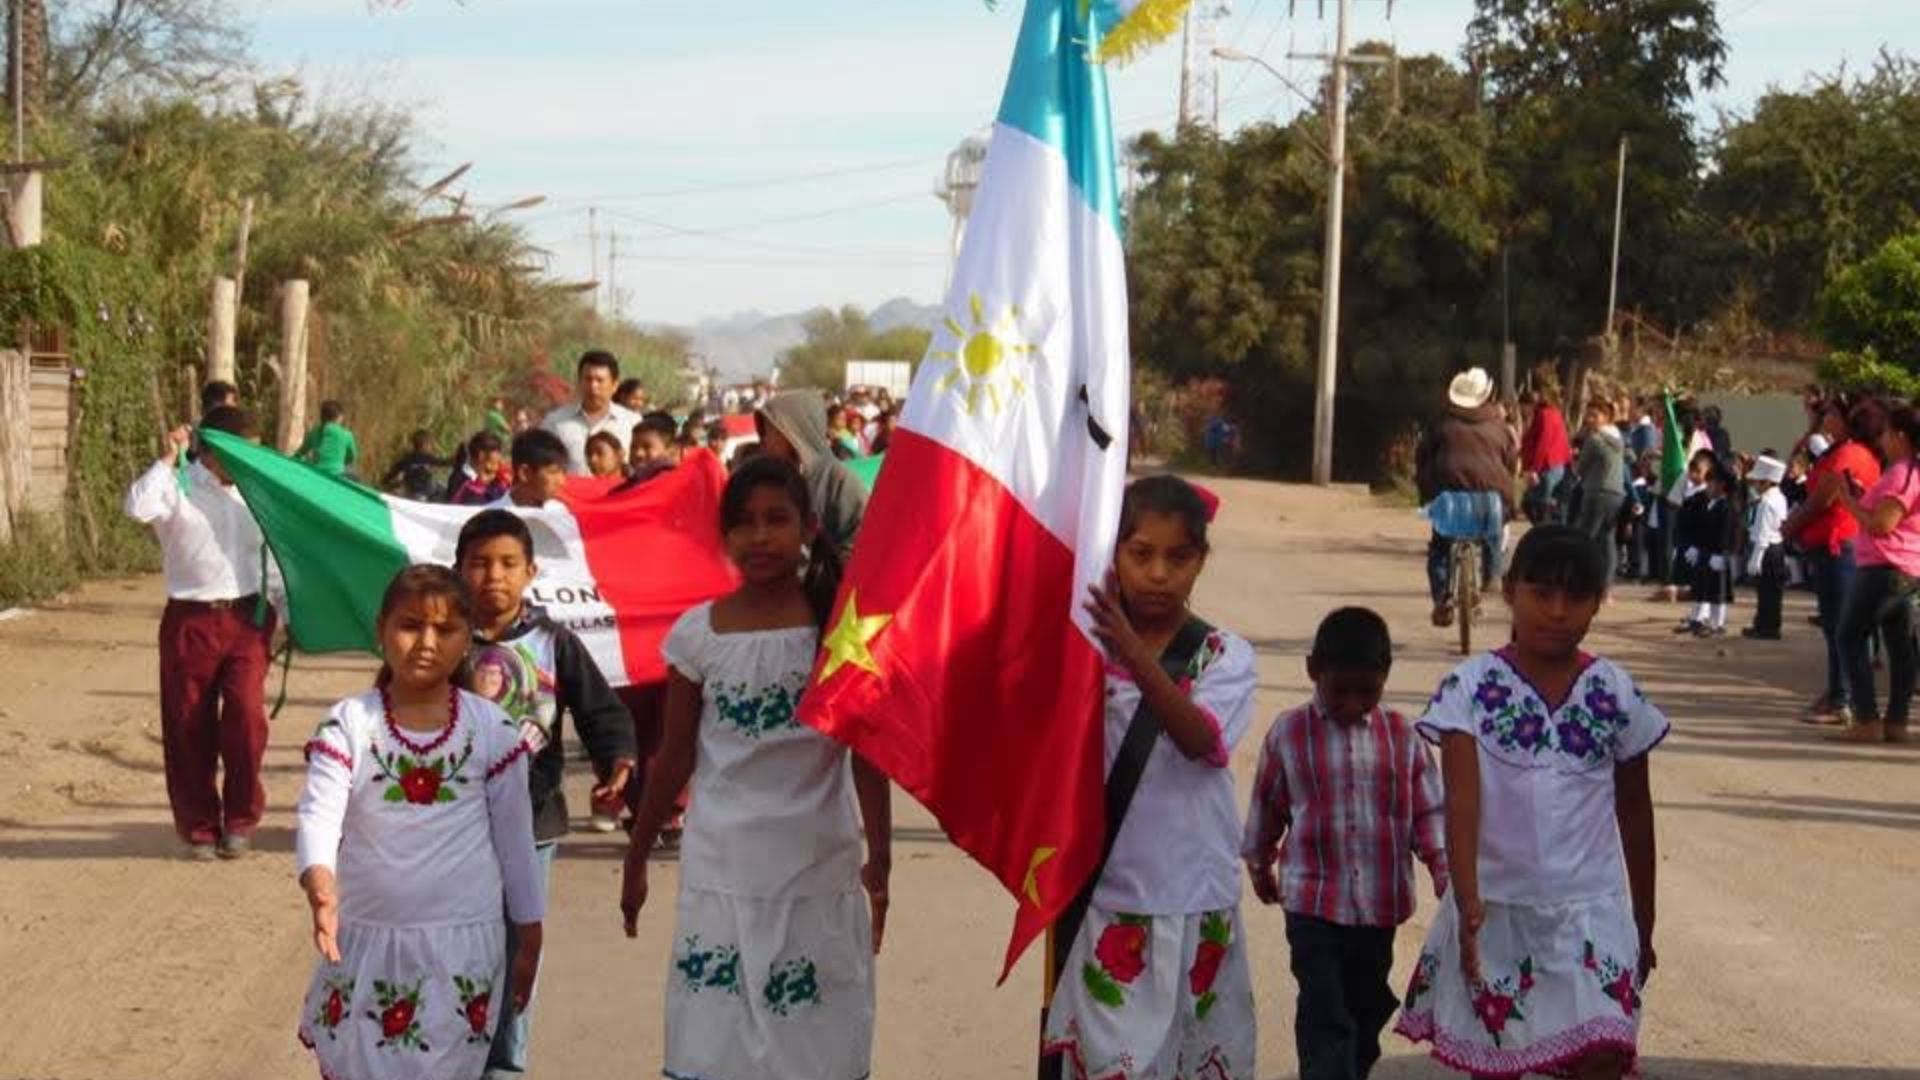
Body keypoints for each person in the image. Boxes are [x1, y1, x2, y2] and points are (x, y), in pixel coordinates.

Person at [620, 456, 893, 1080]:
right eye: (744, 523)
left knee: (814, 1041)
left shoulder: (838, 632)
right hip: (721, 872)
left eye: (777, 519)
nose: (761, 536)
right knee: (716, 1043)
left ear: (809, 527)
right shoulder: (698, 634)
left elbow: (867, 756)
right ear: (724, 536)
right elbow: (675, 757)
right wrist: (636, 855)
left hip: (816, 870)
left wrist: (881, 859)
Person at [1394, 526, 1665, 1080]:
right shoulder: (1468, 689)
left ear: (1597, 602)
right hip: (1496, 912)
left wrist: (1643, 920)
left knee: (1604, 1051)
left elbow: (1635, 811)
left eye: (1576, 596)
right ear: (1509, 590)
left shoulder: (1614, 692)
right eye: (1542, 592)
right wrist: (1468, 903)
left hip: (1591, 912)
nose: (1558, 611)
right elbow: (1462, 804)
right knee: (1501, 1060)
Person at [1041, 475, 1260, 1080]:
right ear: (1113, 556)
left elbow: (1201, 740)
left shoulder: (1224, 655)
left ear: (1202, 561)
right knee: (1112, 1062)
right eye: (1140, 554)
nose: (1159, 574)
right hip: (1108, 898)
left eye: (1178, 557)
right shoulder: (1083, 653)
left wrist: (1135, 655)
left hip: (1195, 899)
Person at [294, 565, 544, 1080]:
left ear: (467, 637)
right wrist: (319, 883)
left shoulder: (491, 730)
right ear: (381, 628)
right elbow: (320, 808)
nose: (426, 643)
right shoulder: (351, 723)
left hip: (463, 945)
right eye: (410, 625)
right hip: (366, 940)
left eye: (446, 630)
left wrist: (531, 931)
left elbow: (516, 842)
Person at [454, 511, 636, 1077]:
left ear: (531, 571)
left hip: (531, 822)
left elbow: (600, 709)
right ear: (458, 570)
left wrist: (617, 761)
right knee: (456, 946)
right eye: (480, 564)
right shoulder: (441, 639)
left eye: (508, 564)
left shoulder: (554, 642)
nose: (494, 576)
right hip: (450, 824)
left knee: (516, 948)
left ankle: (504, 1063)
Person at [1243, 607, 1447, 1080]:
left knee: (1366, 1002)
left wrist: (1444, 872)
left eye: (1367, 691)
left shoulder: (1404, 737)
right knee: (1323, 1006)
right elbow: (1267, 806)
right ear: (1314, 670)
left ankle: (1354, 1064)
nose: (1354, 703)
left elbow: (1428, 814)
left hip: (1379, 906)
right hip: (1312, 902)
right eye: (1341, 691)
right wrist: (1260, 865)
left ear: (1385, 676)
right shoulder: (1290, 733)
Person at [125, 405, 284, 860]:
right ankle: (198, 826)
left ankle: (239, 818)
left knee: (246, 718)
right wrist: (168, 457)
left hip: (247, 618)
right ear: (214, 450)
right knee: (189, 723)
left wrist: (285, 612)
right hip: (190, 620)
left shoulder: (257, 493)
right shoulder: (177, 486)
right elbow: (136, 507)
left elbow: (269, 556)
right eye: (242, 453)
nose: (250, 463)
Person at [1783, 400, 1885, 725]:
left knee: (1843, 626)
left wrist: (1792, 524)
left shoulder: (1850, 454)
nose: (1824, 418)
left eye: (1831, 413)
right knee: (1837, 625)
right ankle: (1838, 693)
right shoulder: (1841, 450)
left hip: (1840, 546)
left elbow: (1823, 498)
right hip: (1836, 546)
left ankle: (1844, 698)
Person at [1830, 405, 1920, 744]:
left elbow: (1882, 525)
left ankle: (1867, 718)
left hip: (1884, 565)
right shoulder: (1909, 471)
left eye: (1885, 433)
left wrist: (1847, 501)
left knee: (1849, 635)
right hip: (1905, 566)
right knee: (1899, 646)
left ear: (1900, 436)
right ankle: (1896, 721)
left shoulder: (1902, 473)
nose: (1881, 439)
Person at [1414, 368, 1517, 629]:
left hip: (1449, 497)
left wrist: (1425, 492)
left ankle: (1441, 598)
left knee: (1440, 547)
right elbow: (1511, 462)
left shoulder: (1442, 425)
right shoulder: (1500, 426)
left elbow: (1423, 456)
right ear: (1487, 395)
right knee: (1495, 530)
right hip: (1489, 499)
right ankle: (1491, 573)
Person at [756, 390, 869, 571]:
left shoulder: (839, 480)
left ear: (794, 432)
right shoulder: (769, 480)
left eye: (771, 431)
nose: (764, 440)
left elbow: (862, 544)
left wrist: (818, 565)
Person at [542, 350, 641, 475]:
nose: (593, 386)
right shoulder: (555, 422)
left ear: (615, 385)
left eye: (600, 380)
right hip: (571, 494)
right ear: (579, 382)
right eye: (588, 379)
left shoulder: (633, 423)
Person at [1672, 453, 1735, 638]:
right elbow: (1701, 529)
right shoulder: (1709, 504)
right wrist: (1695, 548)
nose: (1707, 487)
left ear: (1721, 486)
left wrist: (1722, 554)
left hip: (1717, 555)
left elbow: (1726, 533)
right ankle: (1697, 620)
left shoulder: (1726, 507)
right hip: (1705, 553)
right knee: (1702, 588)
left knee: (1718, 594)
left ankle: (1718, 625)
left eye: (1711, 483)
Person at [1572, 398, 1628, 596]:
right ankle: (1606, 589)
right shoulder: (1618, 439)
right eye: (1589, 415)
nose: (1590, 419)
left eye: (1594, 415)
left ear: (1606, 417)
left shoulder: (1595, 440)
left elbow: (1579, 469)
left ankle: (1578, 584)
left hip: (1597, 492)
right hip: (1617, 494)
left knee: (1584, 538)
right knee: (1607, 540)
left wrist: (1575, 457)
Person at [1742, 456, 1790, 642]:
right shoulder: (1780, 498)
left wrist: (1755, 559)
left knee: (1765, 592)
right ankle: (1770, 626)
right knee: (1774, 592)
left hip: (1767, 550)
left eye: (1758, 481)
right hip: (1776, 548)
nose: (1755, 484)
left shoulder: (1766, 503)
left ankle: (1765, 627)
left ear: (1768, 481)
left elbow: (1762, 534)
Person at [1519, 389, 1573, 525]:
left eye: (1523, 407)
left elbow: (1543, 443)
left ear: (1529, 404)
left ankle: (1546, 533)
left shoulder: (1545, 415)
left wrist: (1534, 469)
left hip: (1549, 465)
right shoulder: (1549, 414)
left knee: (1537, 503)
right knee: (1539, 503)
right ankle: (1547, 531)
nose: (1522, 411)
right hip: (1554, 464)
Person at [496, 429, 570, 510]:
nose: (561, 482)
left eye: (563, 472)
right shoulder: (491, 517)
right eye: (553, 472)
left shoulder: (560, 512)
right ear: (525, 473)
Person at [296, 400, 360, 479]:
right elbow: (352, 457)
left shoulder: (314, 431)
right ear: (339, 417)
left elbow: (300, 453)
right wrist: (339, 461)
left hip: (316, 471)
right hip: (337, 474)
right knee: (354, 472)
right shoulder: (347, 435)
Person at [382, 429, 448, 502]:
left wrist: (386, 482)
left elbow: (391, 474)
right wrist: (457, 457)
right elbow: (444, 463)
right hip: (422, 492)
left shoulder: (406, 459)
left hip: (411, 490)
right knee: (445, 493)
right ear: (425, 444)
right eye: (430, 444)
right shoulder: (427, 458)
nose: (431, 447)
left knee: (439, 487)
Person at [449, 431, 510, 506]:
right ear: (481, 456)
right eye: (497, 452)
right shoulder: (461, 482)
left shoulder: (503, 482)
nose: (500, 458)